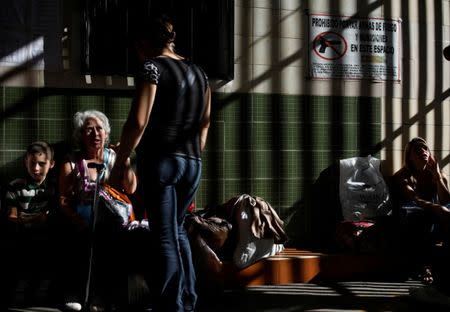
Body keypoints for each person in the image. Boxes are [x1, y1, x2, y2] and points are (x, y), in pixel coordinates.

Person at [109, 14, 211, 312]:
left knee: (164, 235)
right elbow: (204, 125)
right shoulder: (200, 73)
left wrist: (121, 161)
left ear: (144, 43)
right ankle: (187, 301)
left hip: (161, 162)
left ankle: (171, 306)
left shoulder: (151, 67)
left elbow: (138, 122)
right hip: (192, 161)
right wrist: (190, 154)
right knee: (178, 230)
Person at [58, 110, 137, 311]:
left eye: (99, 129)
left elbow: (131, 188)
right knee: (82, 240)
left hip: (113, 219)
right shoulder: (72, 162)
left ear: (107, 133)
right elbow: (64, 199)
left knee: (109, 241)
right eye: (89, 130)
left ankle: (100, 297)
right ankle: (76, 293)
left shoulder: (115, 158)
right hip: (82, 219)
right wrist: (77, 219)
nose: (95, 134)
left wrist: (125, 159)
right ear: (80, 136)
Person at [4, 141, 57, 305]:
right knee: (22, 264)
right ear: (25, 161)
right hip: (22, 238)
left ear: (51, 164)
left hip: (48, 240)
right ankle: (19, 295)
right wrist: (35, 219)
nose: (36, 169)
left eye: (41, 164)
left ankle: (42, 296)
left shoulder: (55, 188)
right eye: (32, 163)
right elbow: (11, 217)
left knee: (48, 262)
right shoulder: (15, 187)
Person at [392, 137, 450, 283]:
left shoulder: (439, 174)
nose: (423, 151)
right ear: (409, 157)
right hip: (412, 215)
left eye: (425, 148)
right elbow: (415, 200)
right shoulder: (403, 176)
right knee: (426, 216)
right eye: (417, 150)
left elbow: (446, 201)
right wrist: (438, 208)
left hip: (436, 214)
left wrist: (437, 177)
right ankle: (426, 267)